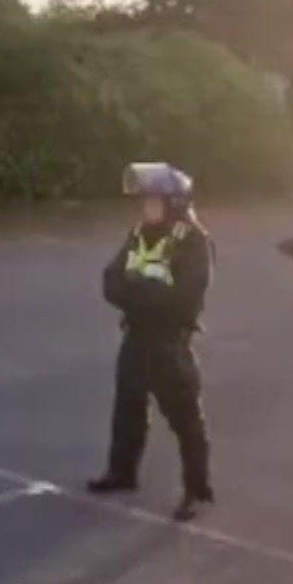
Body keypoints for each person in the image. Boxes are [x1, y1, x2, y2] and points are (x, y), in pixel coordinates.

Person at [86, 163, 216, 522]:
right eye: (143, 200)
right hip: (138, 335)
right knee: (127, 407)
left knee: (185, 417)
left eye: (152, 200)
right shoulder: (141, 233)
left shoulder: (193, 242)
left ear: (174, 202)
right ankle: (122, 472)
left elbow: (184, 298)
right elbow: (110, 280)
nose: (144, 206)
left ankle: (196, 489)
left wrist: (136, 290)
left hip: (170, 342)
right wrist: (143, 293)